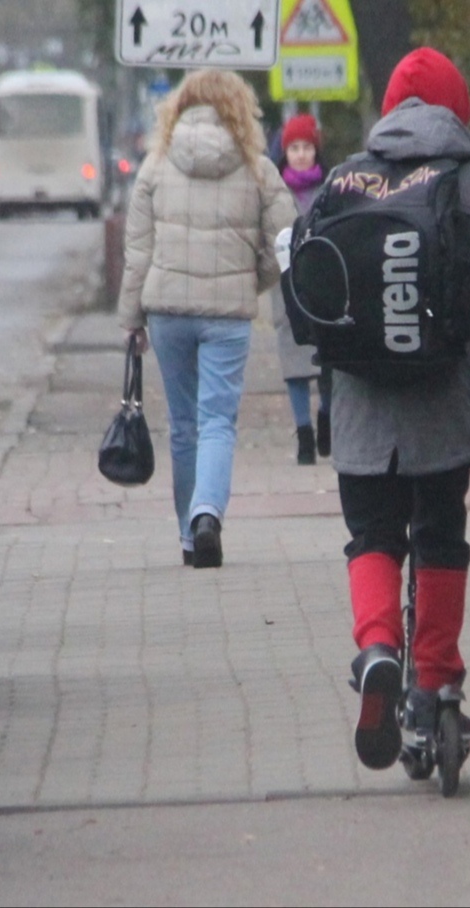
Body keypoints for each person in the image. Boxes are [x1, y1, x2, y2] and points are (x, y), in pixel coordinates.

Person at [329, 49, 470, 769]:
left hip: (360, 403)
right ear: (458, 111)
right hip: (444, 405)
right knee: (439, 535)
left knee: (370, 533)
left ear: (389, 108)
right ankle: (434, 684)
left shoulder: (342, 178)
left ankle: (376, 648)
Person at [118, 69, 295, 568]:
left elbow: (138, 251)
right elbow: (286, 238)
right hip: (228, 314)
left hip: (168, 311)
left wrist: (131, 319)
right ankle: (206, 513)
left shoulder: (154, 167)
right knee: (217, 419)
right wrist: (249, 277)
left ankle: (188, 538)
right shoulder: (259, 169)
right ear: (241, 110)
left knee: (183, 425)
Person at [270, 113, 333, 464]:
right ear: (285, 151)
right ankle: (304, 434)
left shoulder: (331, 185)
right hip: (287, 281)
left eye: (307, 146)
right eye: (294, 147)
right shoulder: (275, 189)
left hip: (324, 279)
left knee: (327, 358)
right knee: (293, 361)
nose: (301, 154)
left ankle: (326, 417)